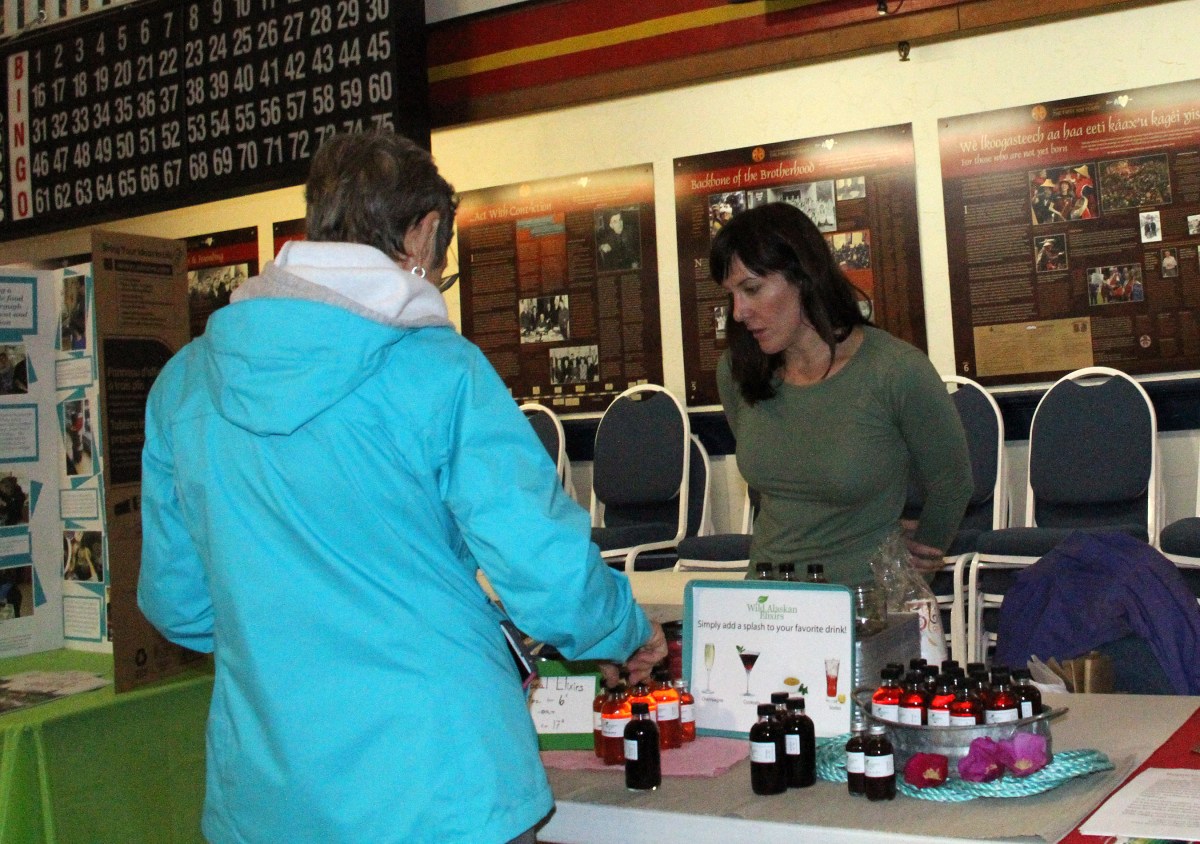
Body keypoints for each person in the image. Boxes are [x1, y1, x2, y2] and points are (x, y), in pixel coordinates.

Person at [138, 131, 665, 844]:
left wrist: (284, 632)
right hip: (441, 780)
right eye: (442, 262)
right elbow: (550, 577)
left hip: (269, 795)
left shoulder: (184, 385)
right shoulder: (440, 369)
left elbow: (178, 603)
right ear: (422, 233)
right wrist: (625, 631)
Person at [712, 203, 972, 585]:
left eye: (751, 289)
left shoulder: (896, 370)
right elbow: (776, 482)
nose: (738, 312)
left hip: (864, 601)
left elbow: (952, 481)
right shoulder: (737, 371)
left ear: (803, 277)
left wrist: (916, 565)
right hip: (767, 601)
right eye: (731, 294)